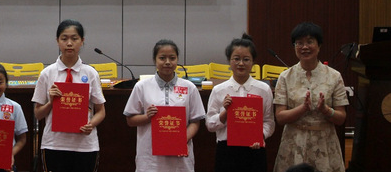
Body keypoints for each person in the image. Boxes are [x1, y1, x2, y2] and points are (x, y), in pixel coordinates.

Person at [32, 19, 106, 172]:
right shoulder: (47, 73)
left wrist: (91, 124)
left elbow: (101, 111)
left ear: (82, 41)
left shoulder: (90, 73)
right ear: (57, 41)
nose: (69, 43)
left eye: (74, 38)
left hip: (85, 145)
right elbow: (38, 114)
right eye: (64, 39)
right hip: (54, 145)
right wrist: (51, 102)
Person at [273, 22, 349, 172]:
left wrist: (326, 110)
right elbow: (280, 117)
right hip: (294, 143)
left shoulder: (334, 76)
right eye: (299, 43)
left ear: (319, 45)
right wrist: (302, 109)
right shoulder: (285, 77)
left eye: (310, 42)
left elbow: (341, 118)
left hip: (325, 144)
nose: (304, 47)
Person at [123, 39, 206, 172]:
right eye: (162, 58)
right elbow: (130, 120)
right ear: (155, 60)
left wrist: (182, 139)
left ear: (177, 60)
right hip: (150, 159)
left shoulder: (189, 87)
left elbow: (195, 121)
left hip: (181, 159)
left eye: (172, 58)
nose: (167, 62)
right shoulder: (142, 86)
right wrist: (147, 116)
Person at [206, 34, 275, 172]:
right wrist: (225, 112)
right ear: (229, 61)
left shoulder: (264, 89)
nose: (241, 63)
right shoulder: (219, 90)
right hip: (227, 151)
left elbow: (269, 122)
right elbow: (209, 125)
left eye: (246, 59)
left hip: (255, 150)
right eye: (236, 59)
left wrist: (260, 136)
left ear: (253, 62)